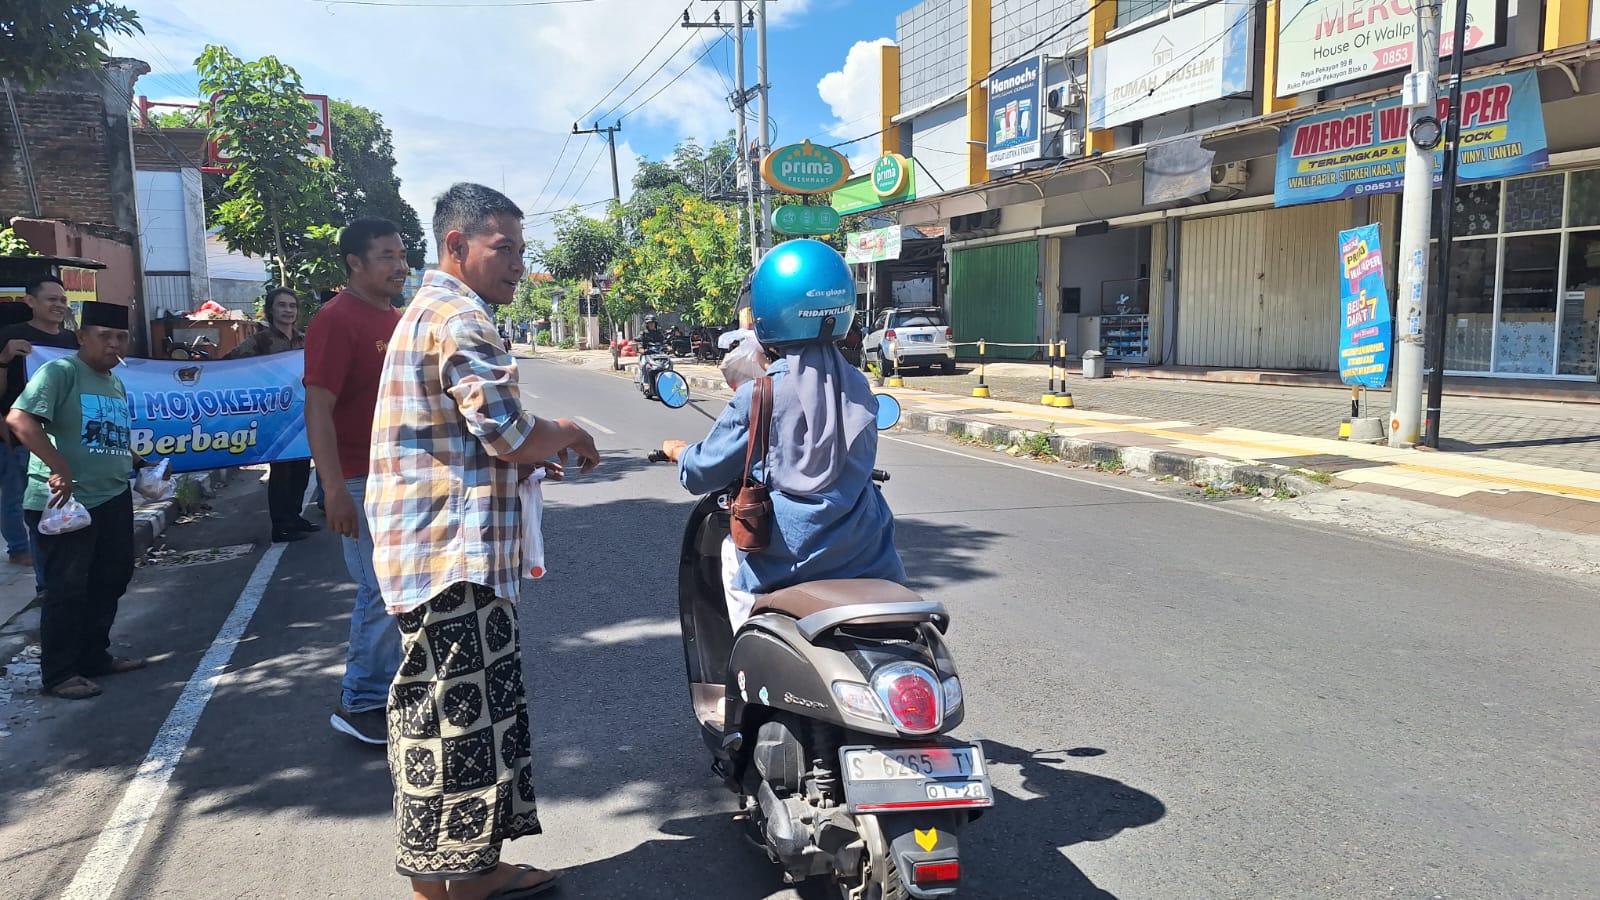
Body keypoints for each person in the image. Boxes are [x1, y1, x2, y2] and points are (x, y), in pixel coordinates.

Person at [368, 182, 597, 900]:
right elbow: (510, 433)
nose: (518, 265)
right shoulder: (461, 317)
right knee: (466, 723)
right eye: (504, 250)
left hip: (433, 556)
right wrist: (571, 434)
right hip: (455, 560)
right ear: (456, 245)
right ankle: (469, 878)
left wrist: (531, 452)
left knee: (433, 720)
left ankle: (441, 874)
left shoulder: (428, 311)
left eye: (522, 252)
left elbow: (486, 443)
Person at [662, 239, 905, 628]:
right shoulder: (858, 387)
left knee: (729, 555)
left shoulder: (761, 394)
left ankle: (746, 671)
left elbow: (701, 473)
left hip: (791, 558)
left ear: (769, 311)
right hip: (871, 556)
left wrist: (679, 453)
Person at [5, 301, 150, 700]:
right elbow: (19, 419)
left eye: (121, 337)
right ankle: (59, 674)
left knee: (112, 577)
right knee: (67, 588)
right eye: (104, 336)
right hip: (64, 501)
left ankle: (93, 656)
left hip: (112, 495)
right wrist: (58, 465)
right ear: (82, 337)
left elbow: (108, 434)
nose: (114, 344)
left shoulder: (114, 382)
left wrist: (144, 465)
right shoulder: (61, 372)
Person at [303, 217, 408, 745]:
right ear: (355, 263)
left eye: (402, 255)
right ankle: (360, 700)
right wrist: (335, 487)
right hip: (360, 479)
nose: (401, 266)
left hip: (398, 479)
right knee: (380, 588)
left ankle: (387, 690)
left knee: (398, 588)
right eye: (387, 256)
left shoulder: (396, 319)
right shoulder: (336, 319)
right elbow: (317, 408)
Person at [0, 276, 79, 592]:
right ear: (30, 301)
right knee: (21, 498)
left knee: (62, 501)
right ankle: (22, 552)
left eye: (62, 299)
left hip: (67, 436)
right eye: (51, 299)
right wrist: (4, 359)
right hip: (23, 436)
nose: (59, 305)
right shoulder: (12, 337)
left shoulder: (73, 342)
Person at [227, 287, 316, 543]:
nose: (288, 310)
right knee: (281, 471)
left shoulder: (303, 340)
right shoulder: (260, 341)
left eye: (292, 306)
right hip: (275, 417)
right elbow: (231, 362)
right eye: (282, 305)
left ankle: (295, 516)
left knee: (301, 467)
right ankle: (281, 525)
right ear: (271, 309)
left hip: (301, 416)